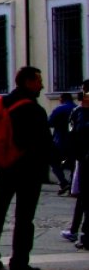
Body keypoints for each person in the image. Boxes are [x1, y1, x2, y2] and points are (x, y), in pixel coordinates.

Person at [0, 66, 50, 270]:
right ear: (28, 82)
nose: (41, 86)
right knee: (24, 219)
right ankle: (19, 263)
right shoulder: (35, 110)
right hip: (29, 171)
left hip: (4, 169)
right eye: (38, 81)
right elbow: (44, 143)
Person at [66, 91, 89, 247]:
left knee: (84, 198)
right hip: (83, 160)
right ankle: (82, 233)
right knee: (84, 198)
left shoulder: (80, 114)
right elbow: (72, 134)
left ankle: (82, 233)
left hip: (84, 160)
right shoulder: (78, 112)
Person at [50, 92, 75, 195]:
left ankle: (64, 182)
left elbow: (50, 122)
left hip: (60, 141)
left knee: (54, 163)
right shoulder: (77, 108)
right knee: (73, 165)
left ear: (62, 99)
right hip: (74, 142)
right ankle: (72, 186)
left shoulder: (59, 109)